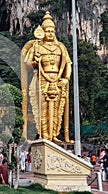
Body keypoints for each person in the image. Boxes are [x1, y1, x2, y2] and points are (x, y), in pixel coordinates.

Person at [21, 11, 72, 143]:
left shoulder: (60, 47)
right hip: (41, 79)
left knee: (57, 108)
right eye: (47, 30)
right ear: (42, 32)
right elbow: (27, 62)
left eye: (52, 31)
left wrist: (66, 78)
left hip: (57, 79)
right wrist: (35, 61)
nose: (50, 33)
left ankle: (54, 133)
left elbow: (68, 64)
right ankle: (44, 134)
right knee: (42, 108)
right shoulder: (36, 46)